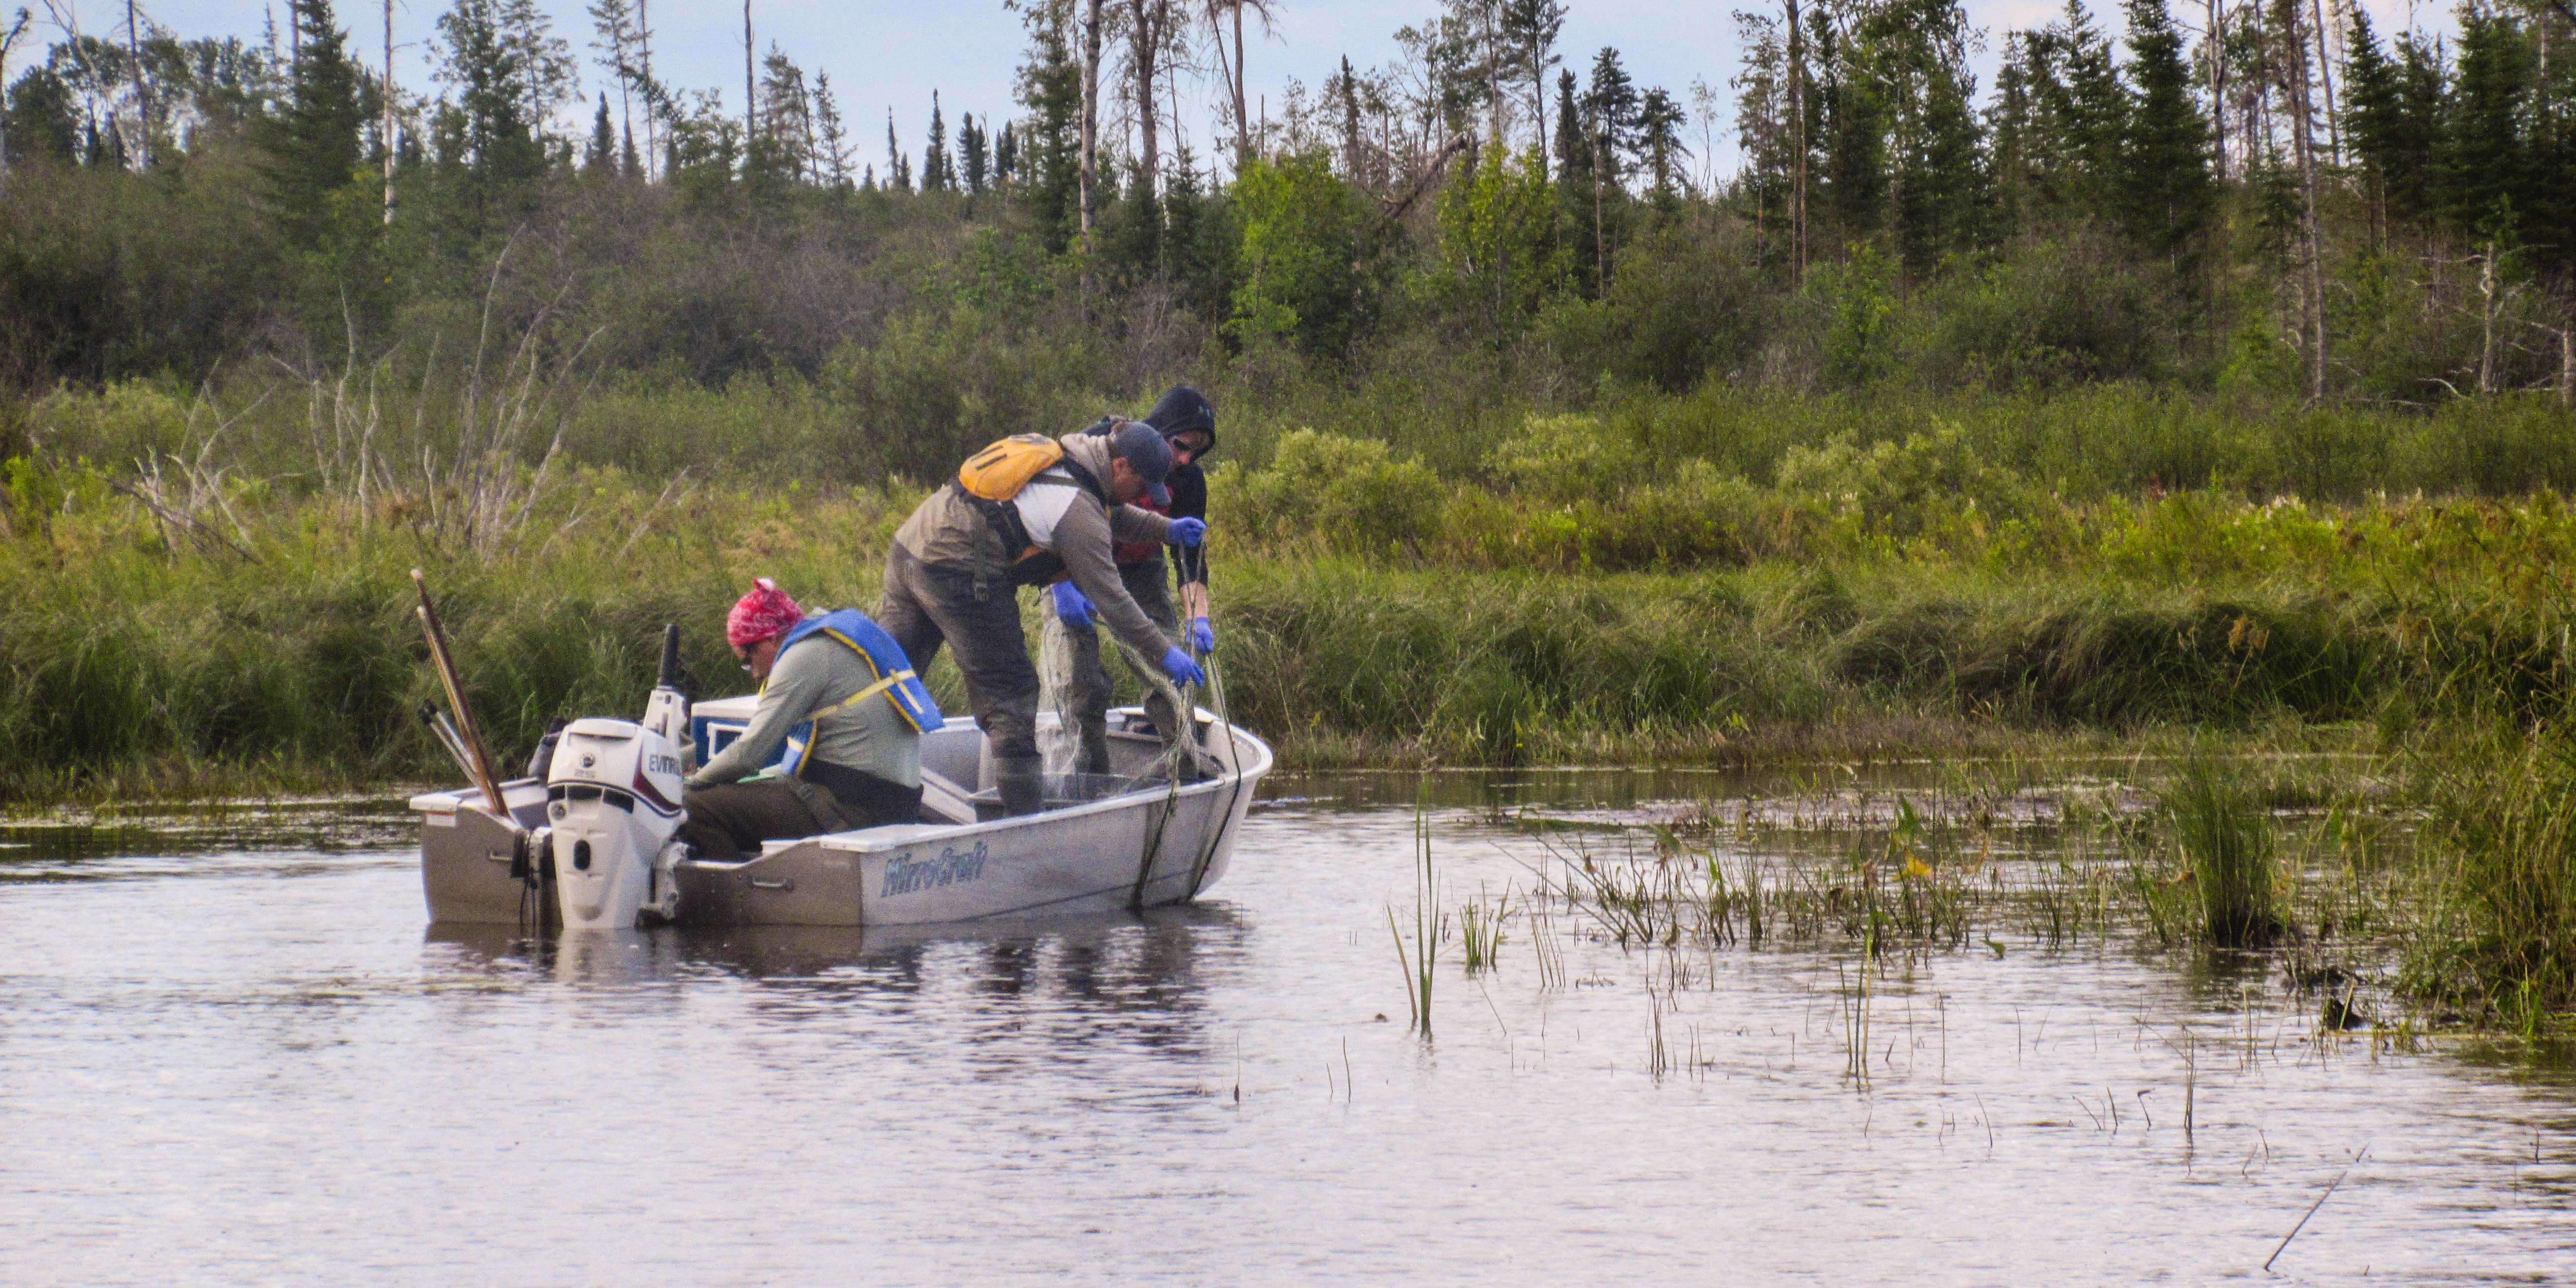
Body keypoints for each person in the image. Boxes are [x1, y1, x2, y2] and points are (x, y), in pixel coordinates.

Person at [878, 419, 1208, 814]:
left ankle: (866, 794)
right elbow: (1113, 599)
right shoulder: (1077, 507)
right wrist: (1164, 654)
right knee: (1011, 693)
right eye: (1141, 488)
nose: (1141, 498)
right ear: (1121, 466)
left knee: (888, 680)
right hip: (960, 571)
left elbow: (1110, 514)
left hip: (910, 550)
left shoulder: (1073, 457)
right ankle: (1024, 819)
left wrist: (1167, 530)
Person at [678, 578, 944, 863]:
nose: (754, 673)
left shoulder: (802, 656)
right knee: (735, 793)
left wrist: (690, 784)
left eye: (749, 657)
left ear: (769, 638)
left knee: (690, 807)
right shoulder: (829, 641)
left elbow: (747, 754)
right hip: (890, 801)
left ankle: (725, 900)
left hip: (853, 809)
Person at [1050, 386, 1219, 774]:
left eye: (1196, 451)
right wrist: (1062, 585)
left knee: (1168, 671)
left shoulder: (1189, 480)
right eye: (1181, 445)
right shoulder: (1101, 446)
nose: (1185, 458)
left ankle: (1185, 766)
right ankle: (1088, 773)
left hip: (1142, 569)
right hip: (1072, 562)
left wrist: (1199, 617)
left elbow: (1189, 555)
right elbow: (1053, 515)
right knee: (1083, 678)